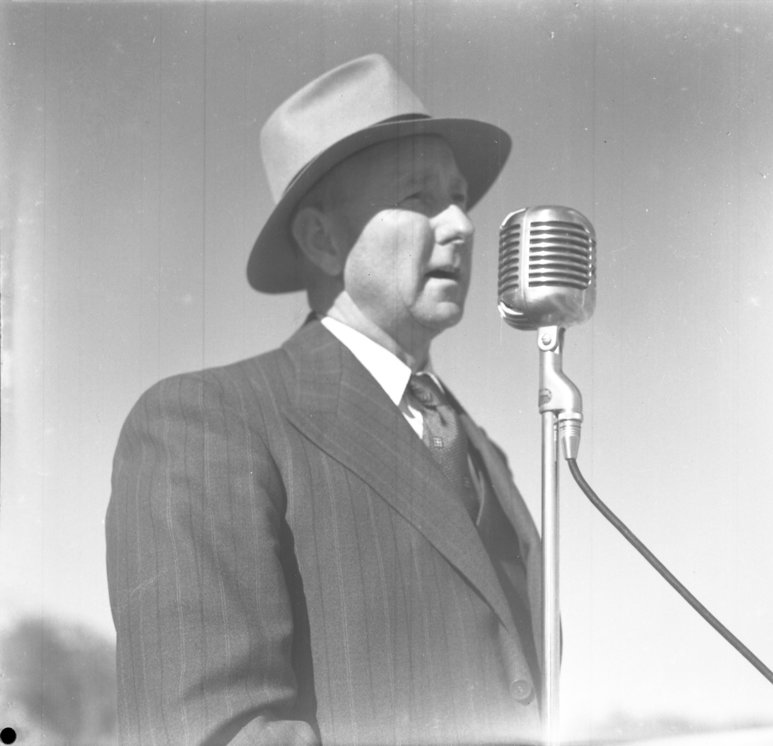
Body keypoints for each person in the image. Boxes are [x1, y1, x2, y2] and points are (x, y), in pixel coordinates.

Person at [106, 54, 542, 746]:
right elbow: (213, 731)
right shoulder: (206, 422)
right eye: (418, 197)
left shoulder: (486, 453)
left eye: (459, 195)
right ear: (320, 238)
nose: (461, 223)